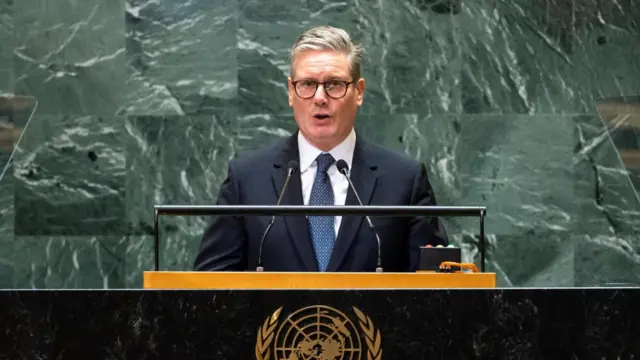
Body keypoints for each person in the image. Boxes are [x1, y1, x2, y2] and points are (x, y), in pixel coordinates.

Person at [193, 26, 448, 272]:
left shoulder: (404, 180)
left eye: (334, 84)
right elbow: (209, 286)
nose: (319, 98)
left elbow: (435, 291)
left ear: (358, 92)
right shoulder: (247, 179)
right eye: (307, 84)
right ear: (291, 92)